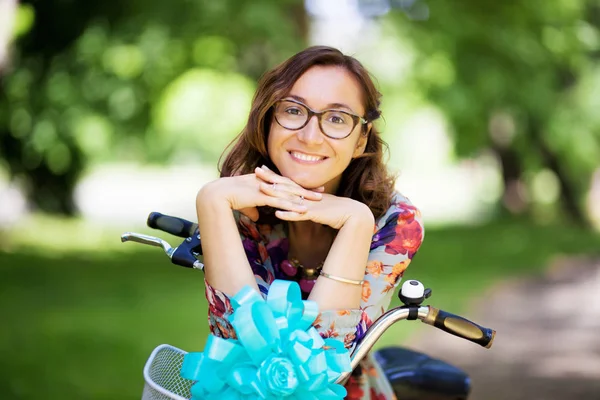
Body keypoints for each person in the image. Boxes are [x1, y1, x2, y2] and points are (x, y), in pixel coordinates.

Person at [195, 45, 424, 399]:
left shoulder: (395, 223)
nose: (310, 136)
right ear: (268, 120)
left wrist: (356, 221)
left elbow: (319, 366)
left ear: (361, 138)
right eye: (292, 110)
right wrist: (211, 201)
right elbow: (236, 346)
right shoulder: (240, 206)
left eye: (336, 118)